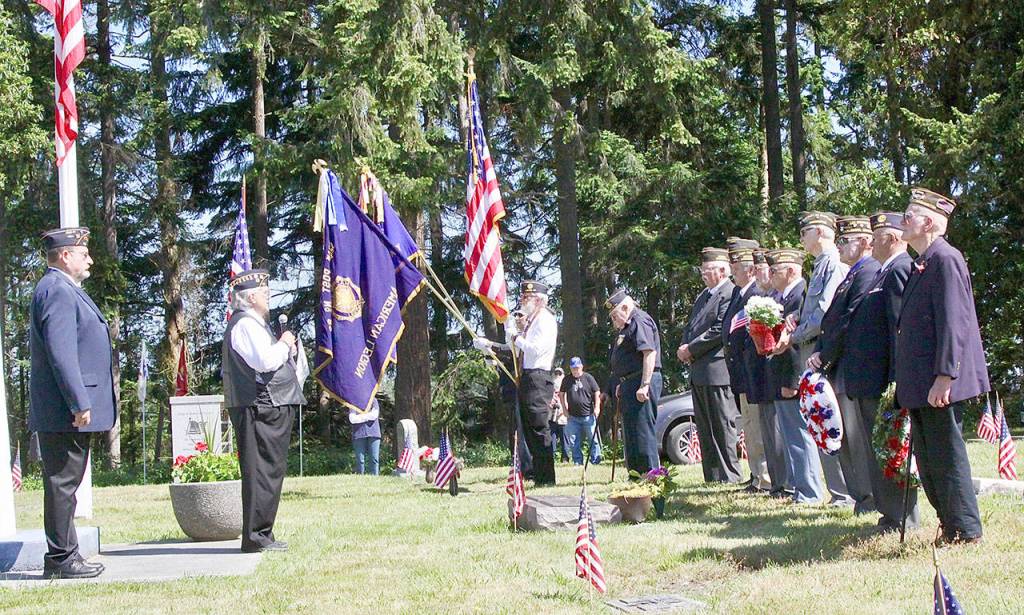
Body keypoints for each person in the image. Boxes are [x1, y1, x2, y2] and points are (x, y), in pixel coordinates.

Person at [895, 188, 988, 545]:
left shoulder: (946, 259)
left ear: (930, 222)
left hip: (938, 381)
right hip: (921, 382)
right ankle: (949, 525)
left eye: (909, 216)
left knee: (946, 455)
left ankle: (966, 529)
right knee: (929, 459)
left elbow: (954, 322)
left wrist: (945, 375)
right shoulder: (924, 262)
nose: (904, 222)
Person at [29, 227, 114, 579]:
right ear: (65, 256)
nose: (90, 258)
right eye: (83, 253)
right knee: (63, 485)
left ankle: (65, 555)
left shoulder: (61, 289)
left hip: (66, 410)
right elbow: (62, 354)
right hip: (65, 412)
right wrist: (79, 402)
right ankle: (62, 558)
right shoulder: (57, 291)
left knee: (66, 485)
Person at [223, 268, 306, 553]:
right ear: (249, 297)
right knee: (261, 472)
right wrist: (283, 344)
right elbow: (265, 361)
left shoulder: (254, 324)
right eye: (264, 292)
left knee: (270, 471)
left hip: (269, 406)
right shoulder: (245, 324)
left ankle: (263, 534)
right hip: (260, 408)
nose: (268, 295)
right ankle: (256, 537)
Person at [776, 211, 853, 507]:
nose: (801, 239)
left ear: (820, 233)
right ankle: (839, 492)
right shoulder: (820, 264)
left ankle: (843, 493)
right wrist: (795, 319)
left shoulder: (832, 264)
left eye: (805, 232)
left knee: (829, 419)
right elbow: (812, 311)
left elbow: (823, 315)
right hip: (812, 351)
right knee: (819, 421)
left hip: (822, 355)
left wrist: (791, 338)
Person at [807, 215, 881, 514]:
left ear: (864, 242)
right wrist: (821, 350)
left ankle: (868, 497)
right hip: (840, 367)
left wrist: (825, 355)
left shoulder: (868, 271)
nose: (840, 246)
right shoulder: (853, 273)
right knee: (848, 439)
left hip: (851, 367)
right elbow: (831, 321)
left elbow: (848, 320)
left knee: (858, 440)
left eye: (845, 240)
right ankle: (861, 496)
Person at [476, 280, 559, 485]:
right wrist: (491, 346)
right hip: (528, 377)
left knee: (539, 428)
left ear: (539, 300)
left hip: (538, 377)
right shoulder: (533, 321)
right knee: (529, 429)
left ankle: (546, 477)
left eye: (527, 297)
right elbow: (517, 353)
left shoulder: (545, 320)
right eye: (523, 296)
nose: (523, 300)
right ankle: (537, 474)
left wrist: (514, 336)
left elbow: (534, 349)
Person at [765, 248, 824, 504]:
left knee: (800, 436)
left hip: (793, 377)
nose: (771, 275)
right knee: (791, 438)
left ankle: (809, 492)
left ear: (791, 271)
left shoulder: (800, 295)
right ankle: (799, 489)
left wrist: (791, 381)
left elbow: (797, 344)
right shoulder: (783, 296)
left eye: (775, 270)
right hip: (780, 375)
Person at [678, 247, 741, 483]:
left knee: (722, 424)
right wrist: (684, 345)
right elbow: (692, 326)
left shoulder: (729, 293)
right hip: (699, 370)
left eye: (708, 269)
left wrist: (691, 348)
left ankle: (730, 474)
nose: (703, 273)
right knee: (705, 427)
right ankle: (712, 474)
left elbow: (719, 329)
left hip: (717, 370)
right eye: (702, 269)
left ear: (723, 270)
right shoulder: (704, 296)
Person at [722, 237, 771, 492]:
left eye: (736, 265)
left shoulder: (756, 294)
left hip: (753, 370)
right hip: (741, 371)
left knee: (757, 428)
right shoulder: (739, 294)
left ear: (750, 269)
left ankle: (764, 477)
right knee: (750, 427)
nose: (732, 270)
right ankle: (755, 475)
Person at [746, 248, 791, 497]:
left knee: (779, 430)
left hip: (778, 370)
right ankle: (776, 482)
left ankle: (783, 482)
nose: (764, 273)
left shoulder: (778, 297)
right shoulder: (760, 298)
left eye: (765, 268)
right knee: (767, 429)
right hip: (762, 371)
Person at [606, 289, 663, 476]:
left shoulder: (639, 320)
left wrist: (644, 384)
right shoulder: (627, 325)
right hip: (631, 383)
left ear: (625, 306)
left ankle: (652, 484)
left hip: (642, 381)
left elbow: (649, 353)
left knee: (643, 436)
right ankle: (636, 482)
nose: (614, 321)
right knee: (631, 437)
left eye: (615, 316)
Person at [560, 357, 602, 465]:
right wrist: (564, 409)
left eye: (577, 368)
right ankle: (578, 462)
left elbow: (597, 391)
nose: (576, 370)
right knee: (573, 441)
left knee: (593, 439)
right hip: (572, 416)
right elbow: (561, 394)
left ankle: (596, 460)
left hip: (588, 415)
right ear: (570, 368)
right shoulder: (567, 380)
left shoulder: (588, 378)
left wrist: (597, 407)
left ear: (581, 367)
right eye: (573, 368)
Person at [351, 399, 381, 475]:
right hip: (359, 434)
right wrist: (367, 416)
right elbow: (352, 419)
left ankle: (375, 479)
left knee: (374, 459)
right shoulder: (353, 401)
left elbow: (374, 415)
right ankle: (360, 478)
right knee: (360, 460)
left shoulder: (373, 400)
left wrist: (360, 417)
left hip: (374, 433)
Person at [549, 367, 570, 463]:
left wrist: (563, 410)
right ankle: (551, 457)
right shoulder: (549, 388)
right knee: (551, 438)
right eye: (556, 373)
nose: (557, 375)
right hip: (551, 417)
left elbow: (569, 401)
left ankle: (565, 458)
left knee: (564, 438)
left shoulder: (566, 387)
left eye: (559, 373)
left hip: (562, 417)